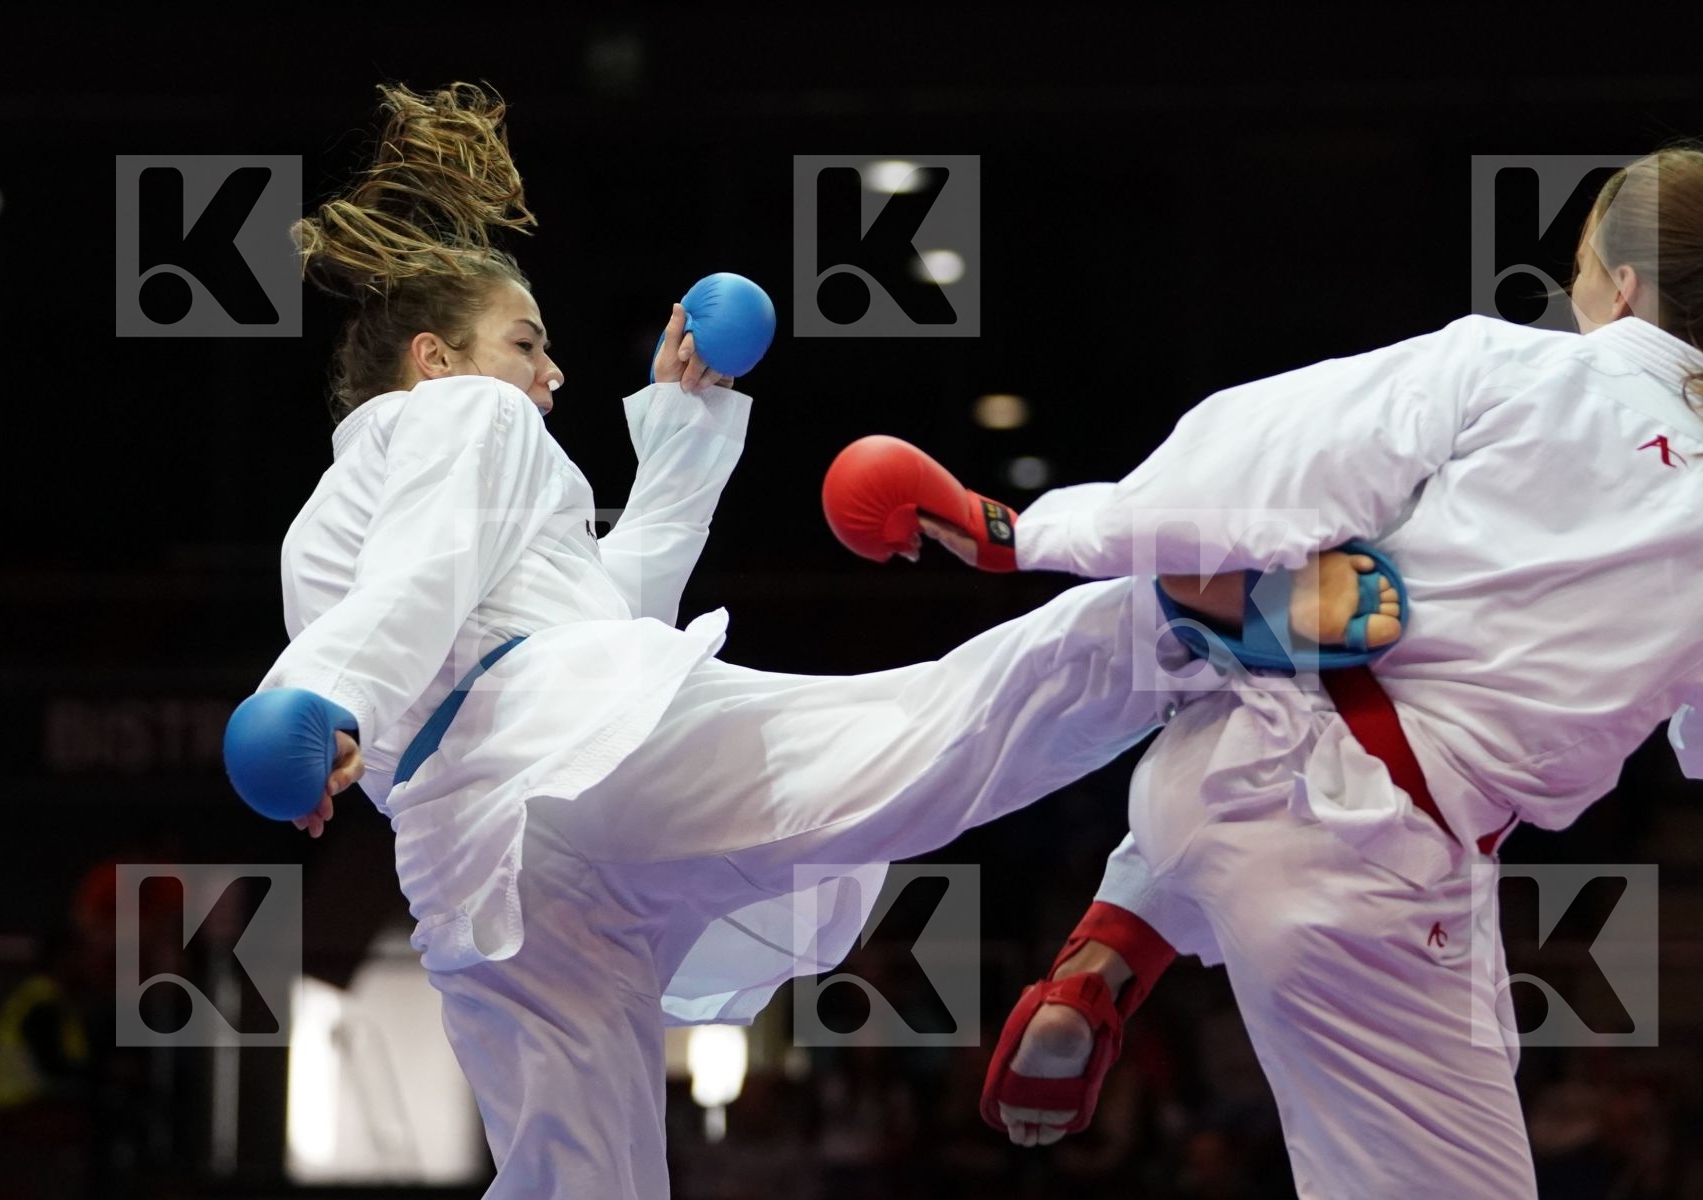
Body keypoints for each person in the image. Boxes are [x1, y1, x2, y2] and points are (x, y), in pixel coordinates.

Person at [233, 81, 1394, 1198]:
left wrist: (684, 430)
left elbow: (582, 615)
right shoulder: (459, 414)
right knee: (936, 733)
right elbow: (427, 574)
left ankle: (1175, 625)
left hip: (484, 866)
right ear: (435, 357)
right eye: (526, 343)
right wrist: (334, 691)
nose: (551, 373)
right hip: (565, 762)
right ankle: (1174, 617)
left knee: (577, 1183)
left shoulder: (316, 534)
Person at [962, 143, 1703, 1197]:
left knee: (1258, 607)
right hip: (1368, 868)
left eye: (1581, 264)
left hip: (1220, 753)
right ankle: (1125, 923)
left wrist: (1042, 530)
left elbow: (1260, 452)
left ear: (1623, 285)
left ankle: (1106, 948)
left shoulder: (1504, 361)